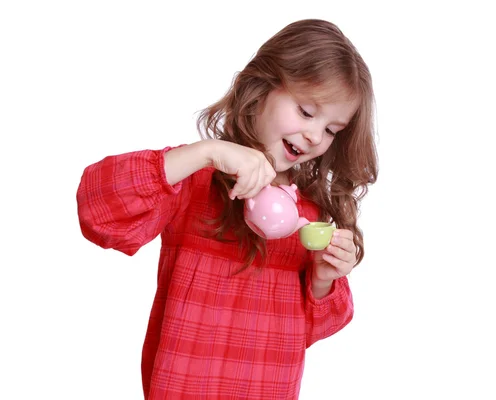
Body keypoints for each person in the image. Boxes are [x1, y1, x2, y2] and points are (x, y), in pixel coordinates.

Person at [76, 18, 378, 399]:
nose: (316, 136)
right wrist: (205, 153)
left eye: (332, 129)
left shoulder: (309, 215)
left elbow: (309, 332)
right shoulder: (196, 179)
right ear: (263, 88)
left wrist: (323, 279)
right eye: (305, 111)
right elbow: (99, 210)